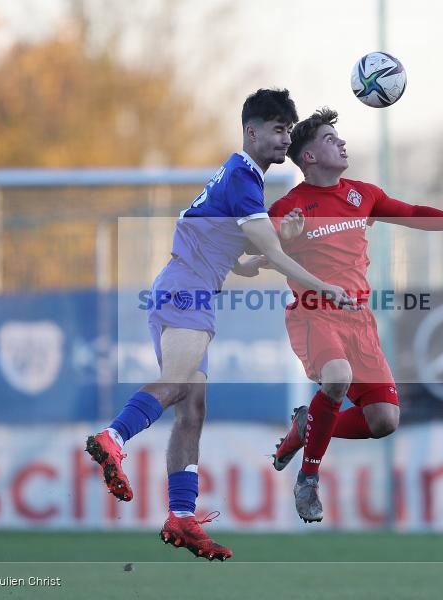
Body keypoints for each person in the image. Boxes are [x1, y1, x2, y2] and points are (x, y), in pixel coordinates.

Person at [85, 91, 356, 560]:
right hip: (188, 291)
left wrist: (272, 244)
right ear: (251, 131)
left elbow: (241, 257)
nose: (285, 138)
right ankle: (114, 437)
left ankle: (181, 517)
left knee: (192, 409)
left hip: (182, 287)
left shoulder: (238, 178)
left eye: (287, 130)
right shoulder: (244, 179)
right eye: (277, 129)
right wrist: (324, 286)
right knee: (177, 384)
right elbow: (272, 253)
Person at [267, 108, 443, 523]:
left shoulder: (362, 194)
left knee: (383, 419)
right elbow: (257, 247)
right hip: (314, 316)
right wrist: (280, 236)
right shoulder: (290, 206)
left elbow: (412, 214)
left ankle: (306, 427)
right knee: (337, 378)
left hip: (358, 320)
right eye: (330, 139)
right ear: (308, 157)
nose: (342, 143)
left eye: (339, 137)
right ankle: (308, 478)